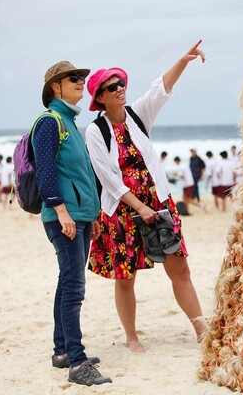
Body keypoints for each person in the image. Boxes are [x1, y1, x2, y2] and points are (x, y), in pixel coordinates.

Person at [85, 40, 207, 353]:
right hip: (123, 211)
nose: (119, 88)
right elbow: (108, 179)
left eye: (120, 83)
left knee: (179, 268)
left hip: (160, 203)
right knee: (125, 277)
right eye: (111, 87)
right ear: (99, 97)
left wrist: (183, 61)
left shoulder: (137, 115)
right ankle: (131, 337)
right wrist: (139, 206)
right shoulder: (95, 132)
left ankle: (201, 327)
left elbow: (159, 89)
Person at [34, 60, 110, 386]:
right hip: (65, 218)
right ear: (56, 87)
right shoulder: (50, 122)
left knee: (68, 282)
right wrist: (62, 212)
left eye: (82, 78)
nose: (81, 82)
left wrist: (94, 211)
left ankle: (62, 351)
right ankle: (77, 363)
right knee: (75, 288)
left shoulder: (70, 123)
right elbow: (46, 173)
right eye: (74, 78)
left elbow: (81, 173)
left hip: (80, 216)